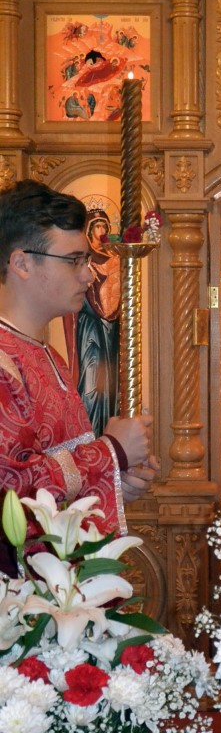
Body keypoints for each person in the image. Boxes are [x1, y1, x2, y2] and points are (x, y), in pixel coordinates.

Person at [0, 180, 157, 562]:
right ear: (21, 263)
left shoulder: (48, 355)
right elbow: (12, 491)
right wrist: (112, 451)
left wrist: (116, 478)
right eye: (73, 260)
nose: (88, 275)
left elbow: (60, 479)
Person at [63, 207, 121, 436]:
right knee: (90, 379)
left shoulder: (115, 258)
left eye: (104, 226)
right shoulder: (83, 259)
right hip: (89, 329)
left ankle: (107, 428)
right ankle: (89, 431)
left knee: (109, 381)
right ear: (89, 230)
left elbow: (115, 295)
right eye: (97, 226)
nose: (101, 230)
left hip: (110, 329)